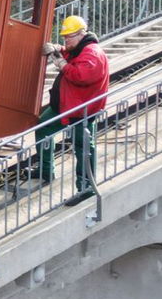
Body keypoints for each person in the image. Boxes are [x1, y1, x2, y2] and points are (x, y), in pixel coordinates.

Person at [36, 14, 111, 205]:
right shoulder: (81, 48)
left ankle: (86, 188)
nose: (66, 40)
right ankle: (45, 169)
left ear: (80, 34)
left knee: (84, 147)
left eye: (68, 37)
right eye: (64, 37)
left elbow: (80, 75)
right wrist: (58, 49)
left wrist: (61, 64)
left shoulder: (92, 53)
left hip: (81, 111)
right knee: (43, 127)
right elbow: (70, 53)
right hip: (67, 107)